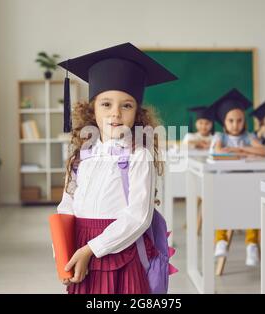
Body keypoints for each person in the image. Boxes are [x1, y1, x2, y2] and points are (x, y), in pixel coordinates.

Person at [56, 42, 178, 294]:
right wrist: (62, 252)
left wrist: (91, 249)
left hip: (118, 250)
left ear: (137, 113)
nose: (116, 113)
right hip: (80, 249)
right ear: (92, 109)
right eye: (106, 104)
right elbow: (66, 205)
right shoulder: (82, 155)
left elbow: (138, 217)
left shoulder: (138, 156)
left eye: (127, 105)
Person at [210, 88, 265, 266]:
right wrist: (245, 153)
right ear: (224, 122)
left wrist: (238, 149)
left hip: (247, 184)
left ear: (244, 121)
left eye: (239, 120)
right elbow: (218, 153)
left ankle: (251, 244)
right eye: (231, 120)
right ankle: (221, 240)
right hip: (225, 184)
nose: (235, 124)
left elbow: (264, 151)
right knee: (220, 207)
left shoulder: (249, 136)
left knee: (253, 208)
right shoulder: (220, 136)